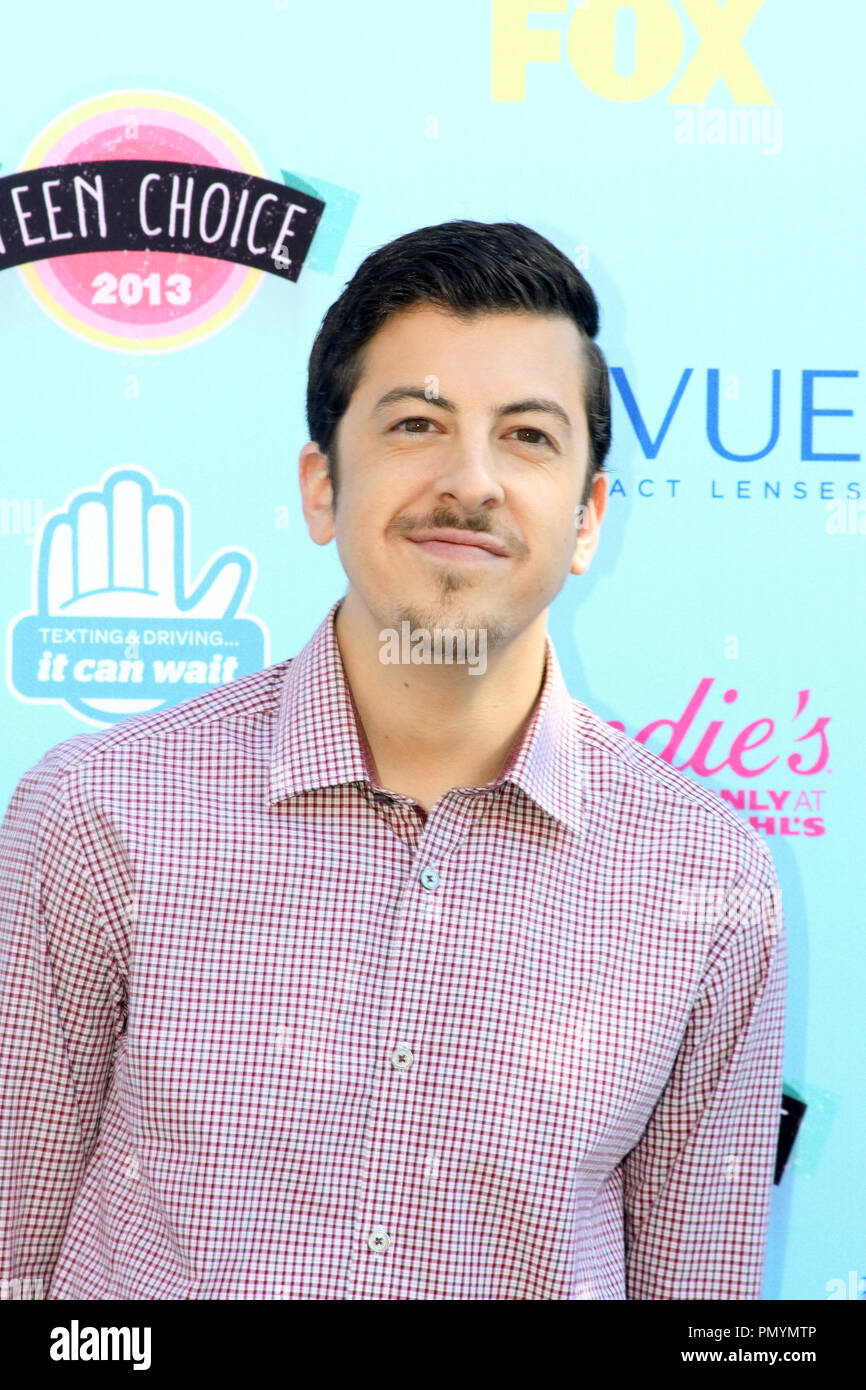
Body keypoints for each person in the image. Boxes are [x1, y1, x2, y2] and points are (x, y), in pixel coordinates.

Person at [0, 219, 786, 1300]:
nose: (469, 480)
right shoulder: (96, 814)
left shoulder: (706, 877)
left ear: (588, 517)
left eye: (527, 436)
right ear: (321, 487)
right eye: (417, 423)